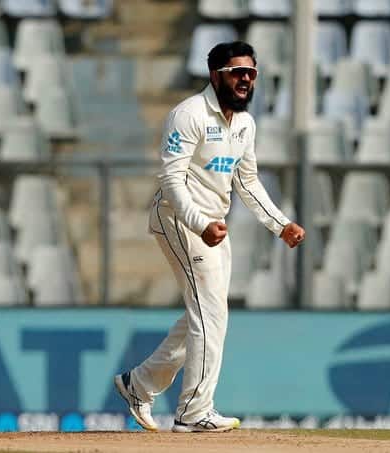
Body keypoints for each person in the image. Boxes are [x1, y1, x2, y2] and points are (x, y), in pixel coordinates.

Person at [114, 41, 305, 433]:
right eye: (238, 72)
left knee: (207, 312)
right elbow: (170, 178)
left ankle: (141, 384)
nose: (246, 79)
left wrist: (279, 224)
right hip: (179, 220)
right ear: (216, 74)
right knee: (210, 313)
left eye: (251, 73)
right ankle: (193, 411)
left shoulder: (245, 124)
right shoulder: (188, 114)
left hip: (211, 226)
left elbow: (247, 181)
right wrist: (199, 222)